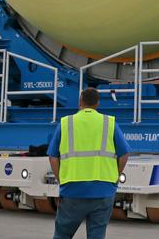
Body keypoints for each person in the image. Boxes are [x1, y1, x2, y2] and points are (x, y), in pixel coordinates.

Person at [48, 88, 131, 239]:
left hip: (72, 190)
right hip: (104, 190)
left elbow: (53, 157)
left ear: (80, 102)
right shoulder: (109, 123)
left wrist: (61, 181)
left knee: (62, 235)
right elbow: (124, 154)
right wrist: (115, 177)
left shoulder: (66, 123)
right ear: (98, 103)